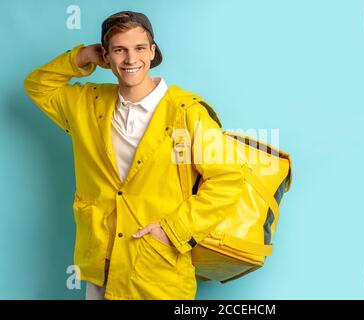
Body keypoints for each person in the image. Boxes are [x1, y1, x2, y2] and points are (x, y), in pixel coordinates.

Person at [24, 11, 244, 300]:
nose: (131, 59)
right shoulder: (86, 103)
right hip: (102, 265)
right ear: (107, 55)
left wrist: (173, 231)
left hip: (158, 271)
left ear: (152, 52)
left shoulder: (186, 112)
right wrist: (83, 56)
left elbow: (229, 179)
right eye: (119, 50)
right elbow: (37, 86)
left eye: (140, 48)